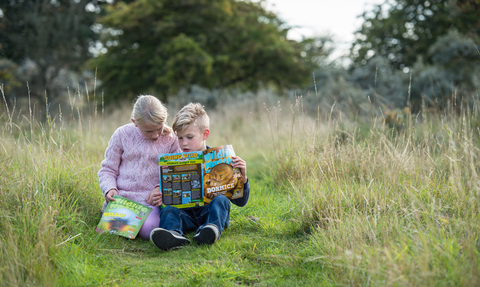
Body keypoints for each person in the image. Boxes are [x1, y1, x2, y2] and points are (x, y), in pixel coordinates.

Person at [149, 103, 250, 251]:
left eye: (190, 137)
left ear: (205, 134)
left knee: (221, 200)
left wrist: (243, 178)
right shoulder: (175, 162)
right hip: (185, 215)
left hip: (211, 213)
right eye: (180, 137)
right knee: (169, 210)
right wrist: (160, 196)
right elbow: (167, 195)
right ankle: (173, 234)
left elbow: (241, 202)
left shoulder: (223, 160)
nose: (184, 143)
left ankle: (210, 229)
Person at [98, 95, 181, 239]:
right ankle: (120, 223)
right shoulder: (121, 135)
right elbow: (108, 169)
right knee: (108, 230)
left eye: (159, 129)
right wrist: (110, 189)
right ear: (135, 122)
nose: (155, 135)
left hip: (150, 202)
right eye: (149, 131)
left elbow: (177, 172)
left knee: (150, 229)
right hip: (123, 199)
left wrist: (160, 187)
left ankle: (132, 227)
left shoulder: (171, 139)